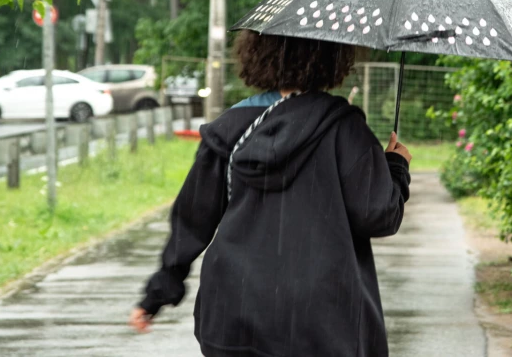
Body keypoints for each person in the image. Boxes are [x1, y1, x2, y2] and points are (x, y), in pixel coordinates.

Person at [129, 30, 412, 357]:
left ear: (258, 52)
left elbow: (193, 219)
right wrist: (395, 166)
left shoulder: (231, 128)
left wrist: (157, 294)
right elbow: (378, 215)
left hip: (233, 311)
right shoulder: (344, 128)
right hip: (321, 320)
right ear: (334, 57)